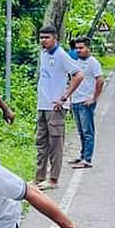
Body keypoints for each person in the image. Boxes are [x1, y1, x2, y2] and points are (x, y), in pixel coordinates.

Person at [35, 25, 83, 190]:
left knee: (55, 143)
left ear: (55, 38)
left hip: (55, 107)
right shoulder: (43, 54)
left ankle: (53, 179)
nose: (43, 41)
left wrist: (64, 97)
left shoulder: (61, 55)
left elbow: (78, 75)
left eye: (47, 37)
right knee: (41, 142)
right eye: (41, 37)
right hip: (42, 105)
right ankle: (39, 177)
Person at [68, 37, 104, 169]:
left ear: (88, 48)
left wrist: (94, 98)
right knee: (81, 131)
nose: (78, 50)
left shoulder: (93, 62)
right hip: (76, 100)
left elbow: (100, 80)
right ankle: (82, 155)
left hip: (85, 102)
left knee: (87, 131)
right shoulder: (75, 62)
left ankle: (87, 158)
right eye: (77, 48)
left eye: (81, 48)